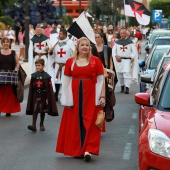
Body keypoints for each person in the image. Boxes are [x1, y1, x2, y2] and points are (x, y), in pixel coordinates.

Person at [56, 37, 105, 162]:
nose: (84, 47)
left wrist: (102, 96)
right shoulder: (70, 62)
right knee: (75, 123)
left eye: (87, 45)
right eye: (82, 45)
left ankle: (88, 150)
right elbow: (66, 82)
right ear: (77, 47)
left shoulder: (96, 61)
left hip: (91, 96)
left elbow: (101, 80)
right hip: (75, 97)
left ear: (90, 48)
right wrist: (66, 99)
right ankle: (78, 150)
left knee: (91, 122)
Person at [26, 58, 58, 132]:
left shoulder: (46, 76)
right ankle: (33, 124)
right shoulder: (34, 76)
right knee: (35, 109)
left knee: (42, 110)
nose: (37, 67)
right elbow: (31, 87)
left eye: (39, 65)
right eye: (36, 65)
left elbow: (48, 88)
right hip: (35, 95)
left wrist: (47, 98)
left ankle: (41, 123)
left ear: (43, 66)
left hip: (43, 95)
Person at [91, 33, 118, 122]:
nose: (97, 39)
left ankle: (107, 112)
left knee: (107, 93)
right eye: (96, 37)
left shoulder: (107, 49)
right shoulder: (92, 49)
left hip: (106, 74)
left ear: (102, 38)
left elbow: (111, 62)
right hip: (96, 73)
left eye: (99, 37)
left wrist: (109, 73)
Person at [49, 29, 75, 101]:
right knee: (56, 80)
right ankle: (56, 95)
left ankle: (65, 96)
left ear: (64, 35)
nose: (58, 35)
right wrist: (50, 52)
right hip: (57, 65)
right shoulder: (56, 43)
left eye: (60, 34)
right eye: (59, 34)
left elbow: (73, 55)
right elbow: (53, 54)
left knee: (65, 81)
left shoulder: (70, 43)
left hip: (65, 66)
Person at [112, 28, 138, 94]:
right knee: (120, 74)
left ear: (126, 34)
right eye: (121, 33)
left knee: (126, 73)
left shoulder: (130, 42)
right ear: (120, 34)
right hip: (119, 60)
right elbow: (113, 51)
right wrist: (116, 56)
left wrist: (132, 56)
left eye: (124, 33)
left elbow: (133, 51)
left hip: (127, 60)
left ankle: (127, 87)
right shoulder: (117, 42)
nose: (122, 34)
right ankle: (122, 86)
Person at [0, 37, 21, 116]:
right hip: (1, 77)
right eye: (4, 42)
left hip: (11, 77)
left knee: (10, 95)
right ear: (2, 43)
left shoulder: (13, 53)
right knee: (1, 94)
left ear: (9, 43)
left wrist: (16, 69)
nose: (5, 44)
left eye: (7, 42)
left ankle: (8, 111)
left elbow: (17, 63)